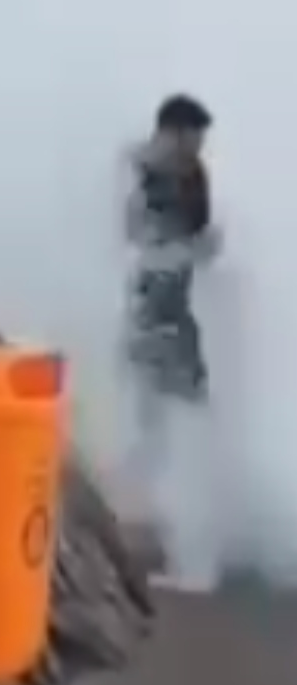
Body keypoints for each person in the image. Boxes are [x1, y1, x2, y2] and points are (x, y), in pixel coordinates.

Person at [120, 93, 223, 580]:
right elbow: (125, 240)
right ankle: (136, 523)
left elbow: (195, 241)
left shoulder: (194, 176)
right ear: (169, 132)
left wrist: (200, 249)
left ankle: (176, 524)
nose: (197, 148)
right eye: (191, 138)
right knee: (146, 415)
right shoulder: (137, 172)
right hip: (141, 310)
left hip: (175, 310)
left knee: (186, 412)